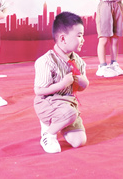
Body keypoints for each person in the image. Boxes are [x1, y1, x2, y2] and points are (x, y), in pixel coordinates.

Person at [34, 12, 89, 154]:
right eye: (79, 35)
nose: (83, 39)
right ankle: (48, 133)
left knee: (79, 141)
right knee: (70, 113)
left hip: (68, 103)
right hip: (48, 102)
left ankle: (60, 121)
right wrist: (62, 84)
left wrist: (83, 81)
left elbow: (82, 87)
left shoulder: (78, 61)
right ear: (63, 38)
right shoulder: (46, 61)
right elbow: (39, 91)